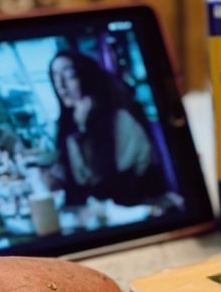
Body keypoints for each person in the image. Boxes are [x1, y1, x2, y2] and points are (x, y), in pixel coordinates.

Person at [48, 49, 168, 207]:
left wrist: (84, 131)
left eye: (69, 75)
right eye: (55, 77)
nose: (60, 85)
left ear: (87, 79)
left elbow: (115, 184)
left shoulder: (120, 120)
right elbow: (77, 183)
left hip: (137, 207)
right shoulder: (68, 125)